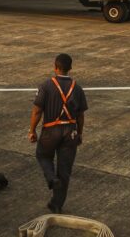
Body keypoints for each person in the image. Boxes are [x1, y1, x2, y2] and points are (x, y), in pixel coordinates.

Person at [28, 53, 88, 214]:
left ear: (55, 67)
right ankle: (56, 204)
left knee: (43, 156)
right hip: (70, 133)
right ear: (70, 69)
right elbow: (81, 116)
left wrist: (32, 130)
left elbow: (37, 111)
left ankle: (51, 178)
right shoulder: (77, 88)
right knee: (65, 170)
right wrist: (80, 134)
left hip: (50, 131)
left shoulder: (46, 86)